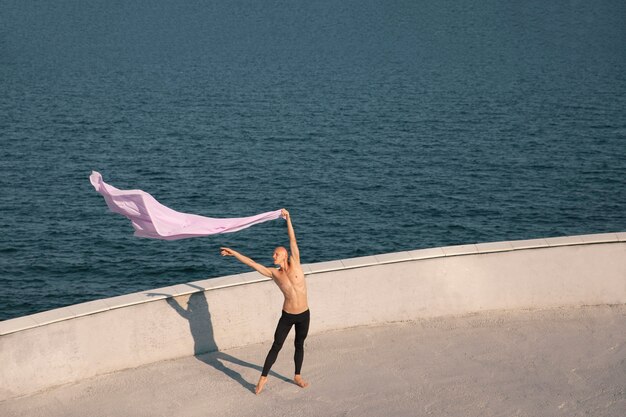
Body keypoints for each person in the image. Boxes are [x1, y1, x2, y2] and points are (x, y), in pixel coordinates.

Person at [220, 208, 310, 395]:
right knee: (276, 346)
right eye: (273, 255)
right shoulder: (274, 273)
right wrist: (234, 253)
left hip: (304, 314)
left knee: (299, 344)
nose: (273, 257)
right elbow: (252, 263)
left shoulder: (296, 262)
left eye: (276, 254)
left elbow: (292, 240)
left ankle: (297, 375)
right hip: (287, 315)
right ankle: (263, 378)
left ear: (284, 255)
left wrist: (288, 219)